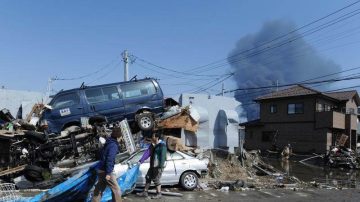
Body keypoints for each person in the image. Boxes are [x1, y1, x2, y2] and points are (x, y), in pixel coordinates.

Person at [92, 127, 122, 202]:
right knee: (116, 189)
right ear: (118, 136)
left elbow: (101, 154)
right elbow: (110, 159)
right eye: (121, 137)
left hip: (101, 169)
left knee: (99, 188)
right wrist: (108, 173)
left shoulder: (108, 142)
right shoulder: (113, 145)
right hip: (106, 170)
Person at [136, 131, 167, 199]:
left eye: (153, 136)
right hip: (152, 165)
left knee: (156, 179)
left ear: (157, 137)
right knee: (148, 177)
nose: (152, 137)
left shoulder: (162, 145)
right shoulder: (152, 145)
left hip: (158, 166)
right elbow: (147, 153)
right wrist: (141, 161)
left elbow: (163, 156)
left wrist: (160, 166)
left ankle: (159, 194)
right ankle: (145, 192)